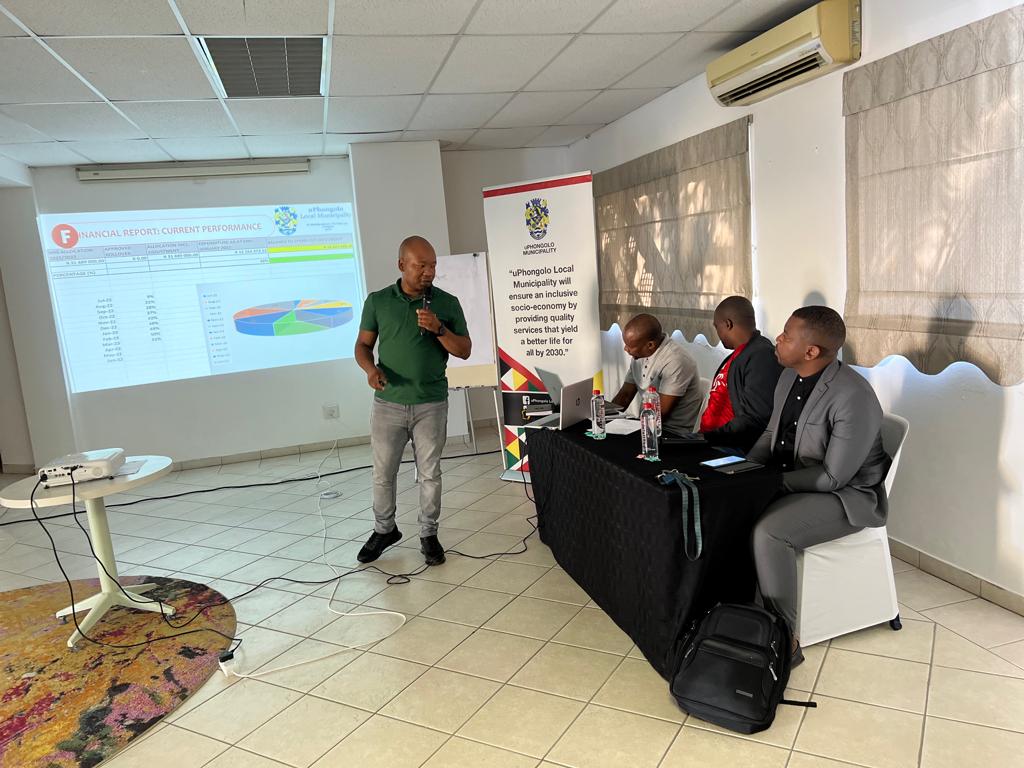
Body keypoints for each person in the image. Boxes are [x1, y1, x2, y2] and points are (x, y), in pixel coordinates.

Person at [746, 306, 890, 665]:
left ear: (811, 351)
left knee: (769, 533)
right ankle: (740, 612)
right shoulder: (788, 377)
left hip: (847, 498)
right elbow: (770, 433)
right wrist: (743, 471)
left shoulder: (853, 395)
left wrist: (769, 483)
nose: (778, 339)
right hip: (795, 480)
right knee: (727, 503)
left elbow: (832, 477)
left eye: (786, 336)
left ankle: (783, 640)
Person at [354, 235, 471, 566]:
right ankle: (384, 530)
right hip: (388, 403)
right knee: (383, 473)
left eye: (433, 265)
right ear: (402, 265)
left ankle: (429, 534)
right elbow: (362, 346)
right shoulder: (378, 301)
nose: (429, 272)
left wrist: (439, 329)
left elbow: (464, 350)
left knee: (430, 473)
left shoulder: (447, 303)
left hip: (431, 403)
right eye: (421, 265)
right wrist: (370, 370)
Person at [699, 296, 783, 452]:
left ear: (728, 324)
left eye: (717, 327)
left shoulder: (762, 356)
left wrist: (710, 437)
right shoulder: (739, 355)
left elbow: (755, 418)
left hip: (730, 446)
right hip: (711, 440)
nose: (717, 333)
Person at [611, 313, 703, 435]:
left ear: (650, 345)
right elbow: (625, 395)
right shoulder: (640, 355)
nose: (625, 349)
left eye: (630, 346)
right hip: (645, 426)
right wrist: (606, 418)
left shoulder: (676, 360)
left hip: (672, 433)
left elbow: (660, 413)